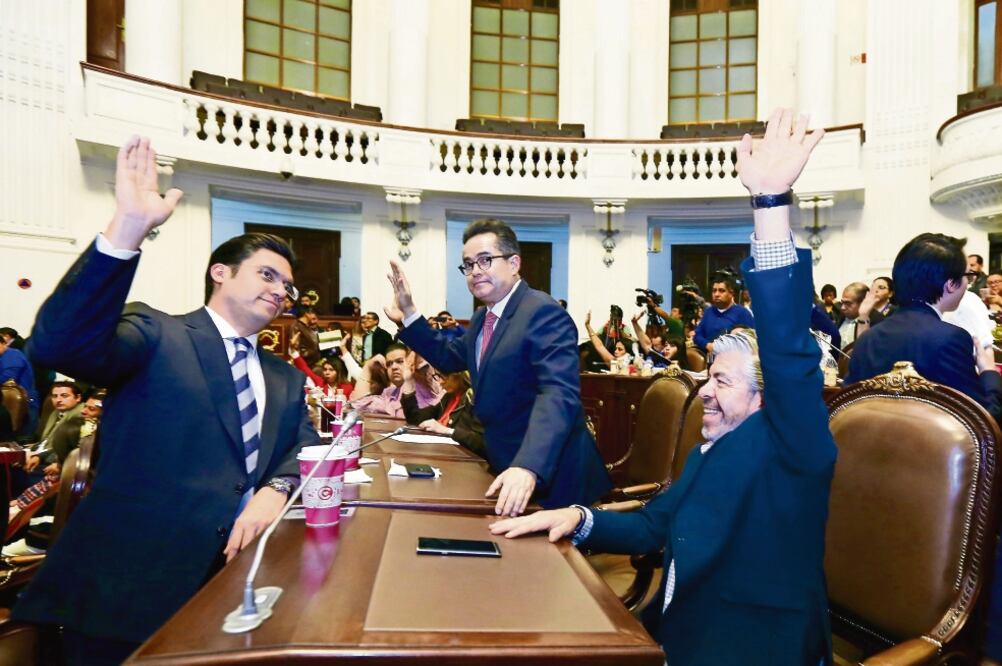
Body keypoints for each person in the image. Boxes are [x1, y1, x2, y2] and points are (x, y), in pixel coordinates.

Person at [490, 108, 836, 665]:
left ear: (764, 397)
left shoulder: (794, 444)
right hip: (676, 632)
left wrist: (770, 206)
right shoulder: (709, 450)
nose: (703, 392)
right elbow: (656, 524)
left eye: (720, 381)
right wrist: (576, 519)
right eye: (705, 378)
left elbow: (790, 349)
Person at [12, 136, 320, 663]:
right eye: (267, 275)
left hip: (241, 582)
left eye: (287, 287)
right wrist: (127, 230)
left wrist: (276, 487)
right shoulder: (156, 331)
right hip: (130, 584)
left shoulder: (283, 376)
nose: (280, 292)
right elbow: (59, 344)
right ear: (219, 272)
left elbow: (305, 445)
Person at [385, 218, 611, 516]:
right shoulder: (482, 318)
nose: (475, 271)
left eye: (485, 260)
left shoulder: (543, 312)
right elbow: (447, 356)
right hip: (502, 464)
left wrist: (529, 466)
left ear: (514, 263)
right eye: (468, 264)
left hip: (551, 475)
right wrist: (409, 312)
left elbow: (557, 395)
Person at [846, 234, 1002, 423]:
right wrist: (989, 372)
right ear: (951, 284)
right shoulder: (951, 339)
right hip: (934, 452)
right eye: (967, 276)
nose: (968, 284)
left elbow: (847, 409)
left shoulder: (866, 339)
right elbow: (984, 422)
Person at [402, 370, 486, 458]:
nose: (440, 382)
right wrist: (408, 382)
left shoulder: (474, 399)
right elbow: (415, 418)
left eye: (444, 376)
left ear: (459, 375)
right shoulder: (449, 397)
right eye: (438, 376)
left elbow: (481, 443)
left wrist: (446, 431)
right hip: (443, 455)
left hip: (465, 463)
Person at [692, 276, 755, 353]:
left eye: (721, 291)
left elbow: (751, 340)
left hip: (735, 359)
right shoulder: (709, 312)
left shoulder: (743, 313)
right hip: (709, 356)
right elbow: (697, 335)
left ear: (731, 293)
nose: (716, 294)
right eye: (714, 291)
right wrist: (708, 345)